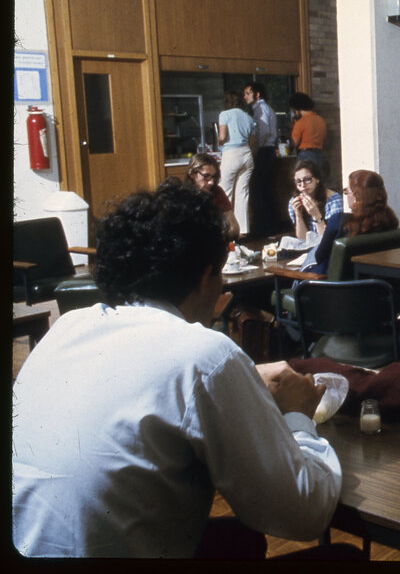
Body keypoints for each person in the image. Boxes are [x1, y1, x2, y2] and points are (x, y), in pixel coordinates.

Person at [11, 181, 341, 558]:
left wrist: (239, 385)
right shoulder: (204, 354)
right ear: (205, 277)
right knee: (341, 558)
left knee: (238, 542)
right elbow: (304, 513)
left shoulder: (66, 330)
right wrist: (299, 416)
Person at [306, 169, 400, 277]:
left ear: (356, 196)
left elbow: (320, 257)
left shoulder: (339, 221)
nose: (345, 195)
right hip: (378, 288)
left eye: (346, 191)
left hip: (334, 289)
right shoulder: (390, 221)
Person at [217, 90, 256, 237]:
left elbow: (222, 136)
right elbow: (252, 141)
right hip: (246, 154)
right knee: (242, 193)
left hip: (231, 154)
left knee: (224, 192)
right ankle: (243, 230)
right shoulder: (248, 117)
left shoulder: (224, 115)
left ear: (227, 103)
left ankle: (226, 230)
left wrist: (219, 142)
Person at [245, 81, 279, 237]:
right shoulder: (268, 108)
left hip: (264, 151)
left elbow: (263, 132)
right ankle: (270, 226)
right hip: (269, 151)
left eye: (247, 93)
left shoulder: (260, 109)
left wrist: (255, 149)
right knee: (266, 190)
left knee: (258, 190)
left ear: (257, 94)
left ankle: (262, 228)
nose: (245, 97)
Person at [185, 152, 239, 239]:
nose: (211, 182)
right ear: (192, 174)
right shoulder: (182, 196)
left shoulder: (216, 192)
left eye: (214, 177)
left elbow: (234, 228)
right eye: (206, 176)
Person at [289, 159, 343, 240]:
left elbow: (329, 240)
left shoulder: (333, 200)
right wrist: (298, 215)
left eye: (307, 179)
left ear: (317, 179)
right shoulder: (294, 201)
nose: (303, 185)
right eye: (298, 181)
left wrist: (316, 215)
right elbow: (303, 240)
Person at [289, 92, 326, 170]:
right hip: (319, 154)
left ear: (297, 109)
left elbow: (294, 143)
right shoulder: (321, 120)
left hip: (305, 154)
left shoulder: (301, 122)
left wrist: (292, 128)